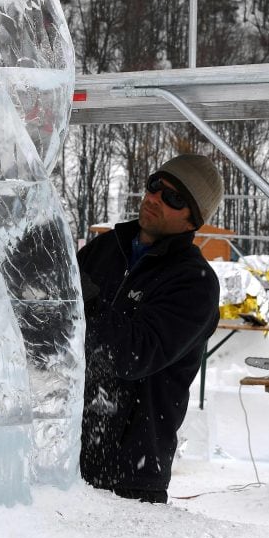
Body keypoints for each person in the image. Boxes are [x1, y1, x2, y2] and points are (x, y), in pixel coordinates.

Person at [78, 153, 224, 503]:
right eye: (156, 185)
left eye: (174, 198)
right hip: (66, 458)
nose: (155, 198)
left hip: (130, 476)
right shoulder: (105, 249)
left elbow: (133, 354)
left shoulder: (195, 283)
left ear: (194, 221)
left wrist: (85, 298)